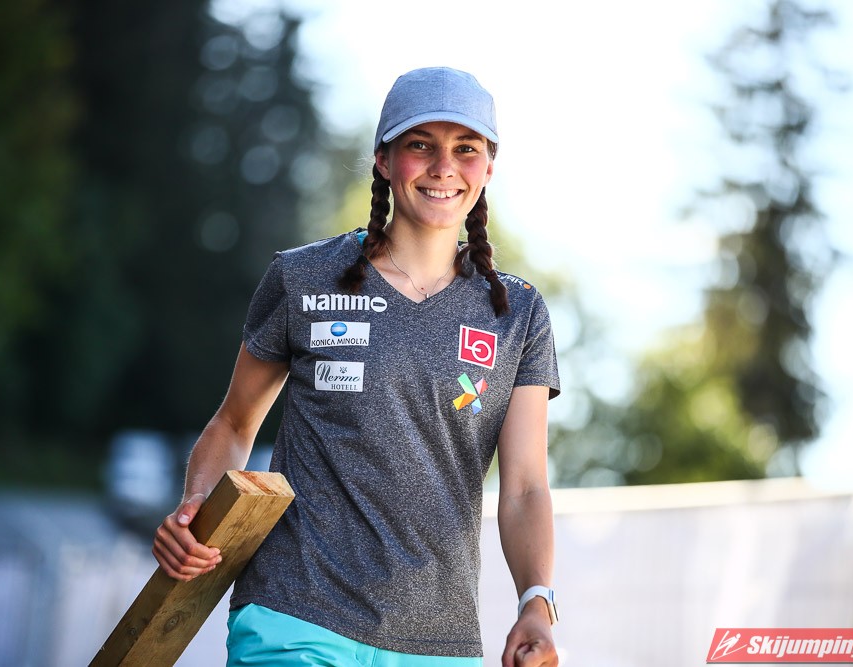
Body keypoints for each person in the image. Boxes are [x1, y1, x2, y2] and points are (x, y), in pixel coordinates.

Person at [153, 66, 561, 667]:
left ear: (488, 168)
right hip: (294, 614)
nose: (443, 166)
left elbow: (524, 486)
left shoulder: (518, 312)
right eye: (420, 144)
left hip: (439, 644)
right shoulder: (303, 276)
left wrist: (537, 602)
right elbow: (235, 424)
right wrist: (194, 507)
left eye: (465, 149)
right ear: (383, 160)